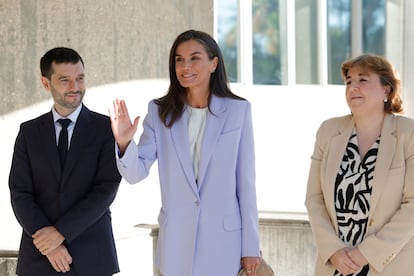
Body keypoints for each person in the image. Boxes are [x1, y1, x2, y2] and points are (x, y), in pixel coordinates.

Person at [110, 29, 261, 275]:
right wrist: (125, 143)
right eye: (179, 59)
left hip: (225, 243)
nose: (185, 66)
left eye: (194, 58)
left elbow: (246, 184)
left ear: (214, 63)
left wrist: (251, 247)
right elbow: (136, 173)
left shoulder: (238, 111)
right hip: (176, 245)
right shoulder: (160, 112)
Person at [9, 47, 121, 276]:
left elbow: (106, 189)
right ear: (45, 82)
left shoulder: (105, 129)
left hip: (92, 257)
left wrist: (60, 233)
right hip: (39, 258)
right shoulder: (28, 132)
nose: (75, 87)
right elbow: (20, 192)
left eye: (80, 78)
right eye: (65, 80)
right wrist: (48, 244)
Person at [305, 53, 414, 276]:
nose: (353, 87)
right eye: (348, 81)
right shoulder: (328, 131)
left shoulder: (408, 134)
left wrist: (365, 253)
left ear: (386, 89)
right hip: (335, 267)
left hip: (388, 265)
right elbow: (314, 199)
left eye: (362, 80)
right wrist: (333, 251)